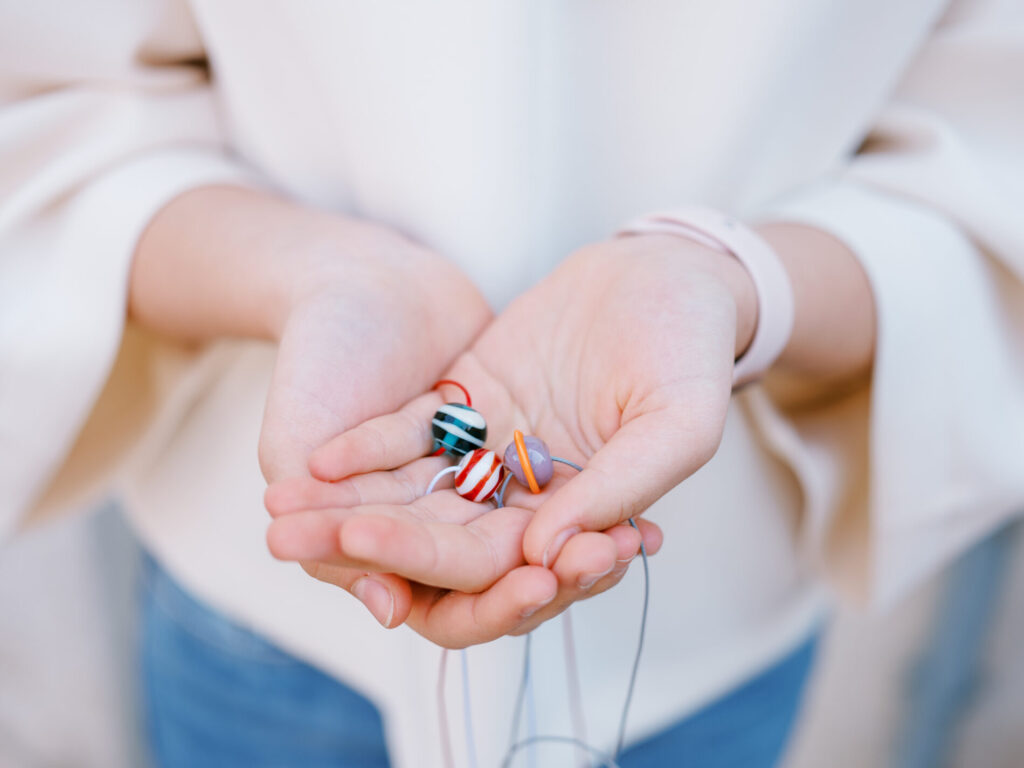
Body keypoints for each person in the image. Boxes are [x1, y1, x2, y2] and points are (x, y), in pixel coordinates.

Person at [2, 0, 1023, 766]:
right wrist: (309, 272)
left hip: (702, 641)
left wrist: (733, 285)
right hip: (269, 627)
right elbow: (55, 106)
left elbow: (989, 159)